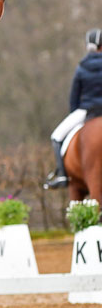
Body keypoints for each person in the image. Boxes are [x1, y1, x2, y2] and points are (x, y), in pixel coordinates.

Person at [44, 28, 102, 189]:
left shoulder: (81, 67)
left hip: (86, 110)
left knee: (56, 137)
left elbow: (74, 98)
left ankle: (62, 175)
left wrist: (75, 114)